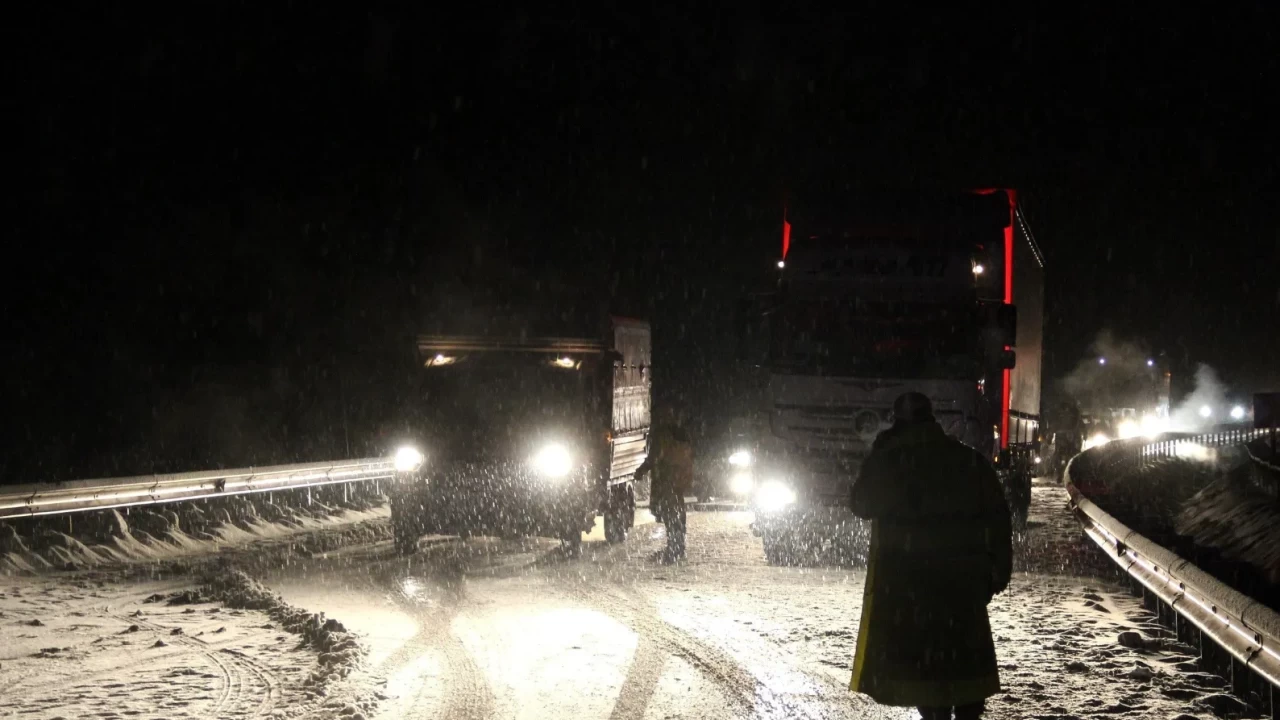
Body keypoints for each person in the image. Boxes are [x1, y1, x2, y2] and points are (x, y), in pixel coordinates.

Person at [848, 392, 1012, 720]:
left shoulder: (890, 461)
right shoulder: (969, 460)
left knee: (928, 674)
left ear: (897, 422)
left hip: (908, 582)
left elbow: (861, 504)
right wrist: (997, 571)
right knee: (966, 667)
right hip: (964, 581)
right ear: (932, 418)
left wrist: (879, 453)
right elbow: (997, 516)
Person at [636, 407, 693, 563]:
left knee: (670, 515)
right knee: (678, 514)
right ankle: (678, 547)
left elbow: (654, 457)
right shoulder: (682, 433)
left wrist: (641, 471)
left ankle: (673, 549)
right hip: (679, 480)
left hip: (666, 479)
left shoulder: (663, 435)